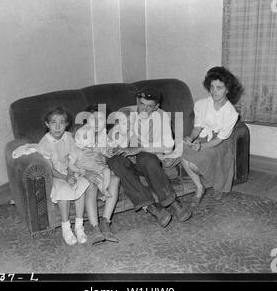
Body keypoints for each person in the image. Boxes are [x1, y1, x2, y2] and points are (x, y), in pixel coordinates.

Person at [107, 87, 193, 228]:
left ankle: (172, 201)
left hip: (148, 159)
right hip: (128, 158)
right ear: (137, 101)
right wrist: (114, 145)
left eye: (149, 106)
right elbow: (114, 133)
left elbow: (168, 145)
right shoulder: (127, 113)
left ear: (156, 107)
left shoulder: (162, 116)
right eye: (141, 104)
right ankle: (152, 208)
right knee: (114, 161)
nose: (144, 109)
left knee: (144, 157)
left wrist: (140, 148)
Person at [181, 66, 242, 202]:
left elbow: (219, 140)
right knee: (182, 150)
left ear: (227, 89)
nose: (214, 91)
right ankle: (199, 187)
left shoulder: (231, 113)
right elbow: (197, 127)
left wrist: (202, 147)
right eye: (212, 87)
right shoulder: (202, 104)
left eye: (219, 88)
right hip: (203, 136)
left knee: (197, 163)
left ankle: (218, 185)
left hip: (221, 142)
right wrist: (190, 138)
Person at [36, 107, 91, 246]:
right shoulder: (45, 143)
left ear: (67, 124)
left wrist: (72, 174)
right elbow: (50, 169)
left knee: (81, 185)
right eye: (54, 122)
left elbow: (73, 159)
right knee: (63, 191)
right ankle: (66, 228)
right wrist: (66, 178)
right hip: (56, 174)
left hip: (70, 170)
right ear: (47, 124)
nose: (58, 126)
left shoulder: (69, 137)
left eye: (62, 123)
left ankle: (79, 225)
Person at [75, 104, 121, 244]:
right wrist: (86, 173)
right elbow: (71, 159)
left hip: (99, 169)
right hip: (83, 171)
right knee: (91, 186)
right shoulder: (79, 135)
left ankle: (105, 222)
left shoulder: (103, 135)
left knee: (115, 179)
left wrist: (112, 152)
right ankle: (95, 228)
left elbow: (106, 152)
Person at [70, 118, 112, 200]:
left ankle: (104, 188)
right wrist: (79, 170)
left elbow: (103, 153)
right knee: (98, 179)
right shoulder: (76, 150)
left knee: (107, 171)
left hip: (98, 167)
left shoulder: (94, 146)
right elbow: (71, 164)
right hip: (86, 170)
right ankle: (103, 192)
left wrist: (107, 156)